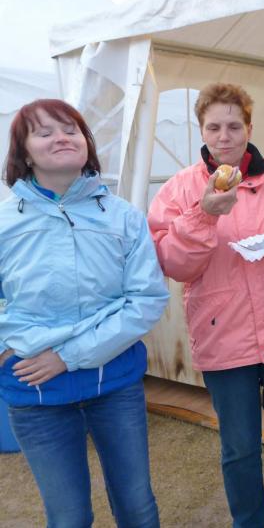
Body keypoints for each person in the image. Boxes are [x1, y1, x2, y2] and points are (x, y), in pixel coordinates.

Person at [147, 83, 264, 528]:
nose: (224, 136)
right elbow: (173, 264)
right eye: (214, 127)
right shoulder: (181, 188)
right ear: (201, 131)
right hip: (223, 334)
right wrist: (204, 215)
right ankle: (248, 520)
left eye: (234, 126)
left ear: (249, 129)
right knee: (239, 445)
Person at [0, 99, 169, 527]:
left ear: (86, 144)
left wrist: (67, 356)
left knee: (137, 507)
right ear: (24, 153)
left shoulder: (123, 217)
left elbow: (146, 298)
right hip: (35, 390)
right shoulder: (4, 221)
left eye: (71, 130)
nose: (62, 138)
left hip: (113, 382)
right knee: (69, 516)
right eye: (45, 132)